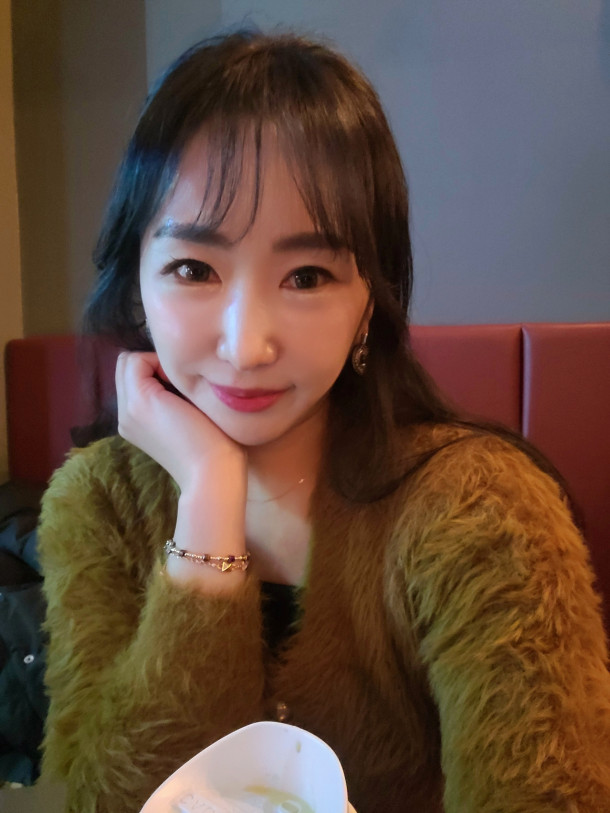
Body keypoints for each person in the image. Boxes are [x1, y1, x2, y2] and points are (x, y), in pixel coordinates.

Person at [37, 30, 610, 813]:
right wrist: (208, 496)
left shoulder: (480, 510)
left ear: (370, 300)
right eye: (194, 268)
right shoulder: (98, 500)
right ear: (138, 285)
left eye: (307, 275)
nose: (247, 345)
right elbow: (101, 799)